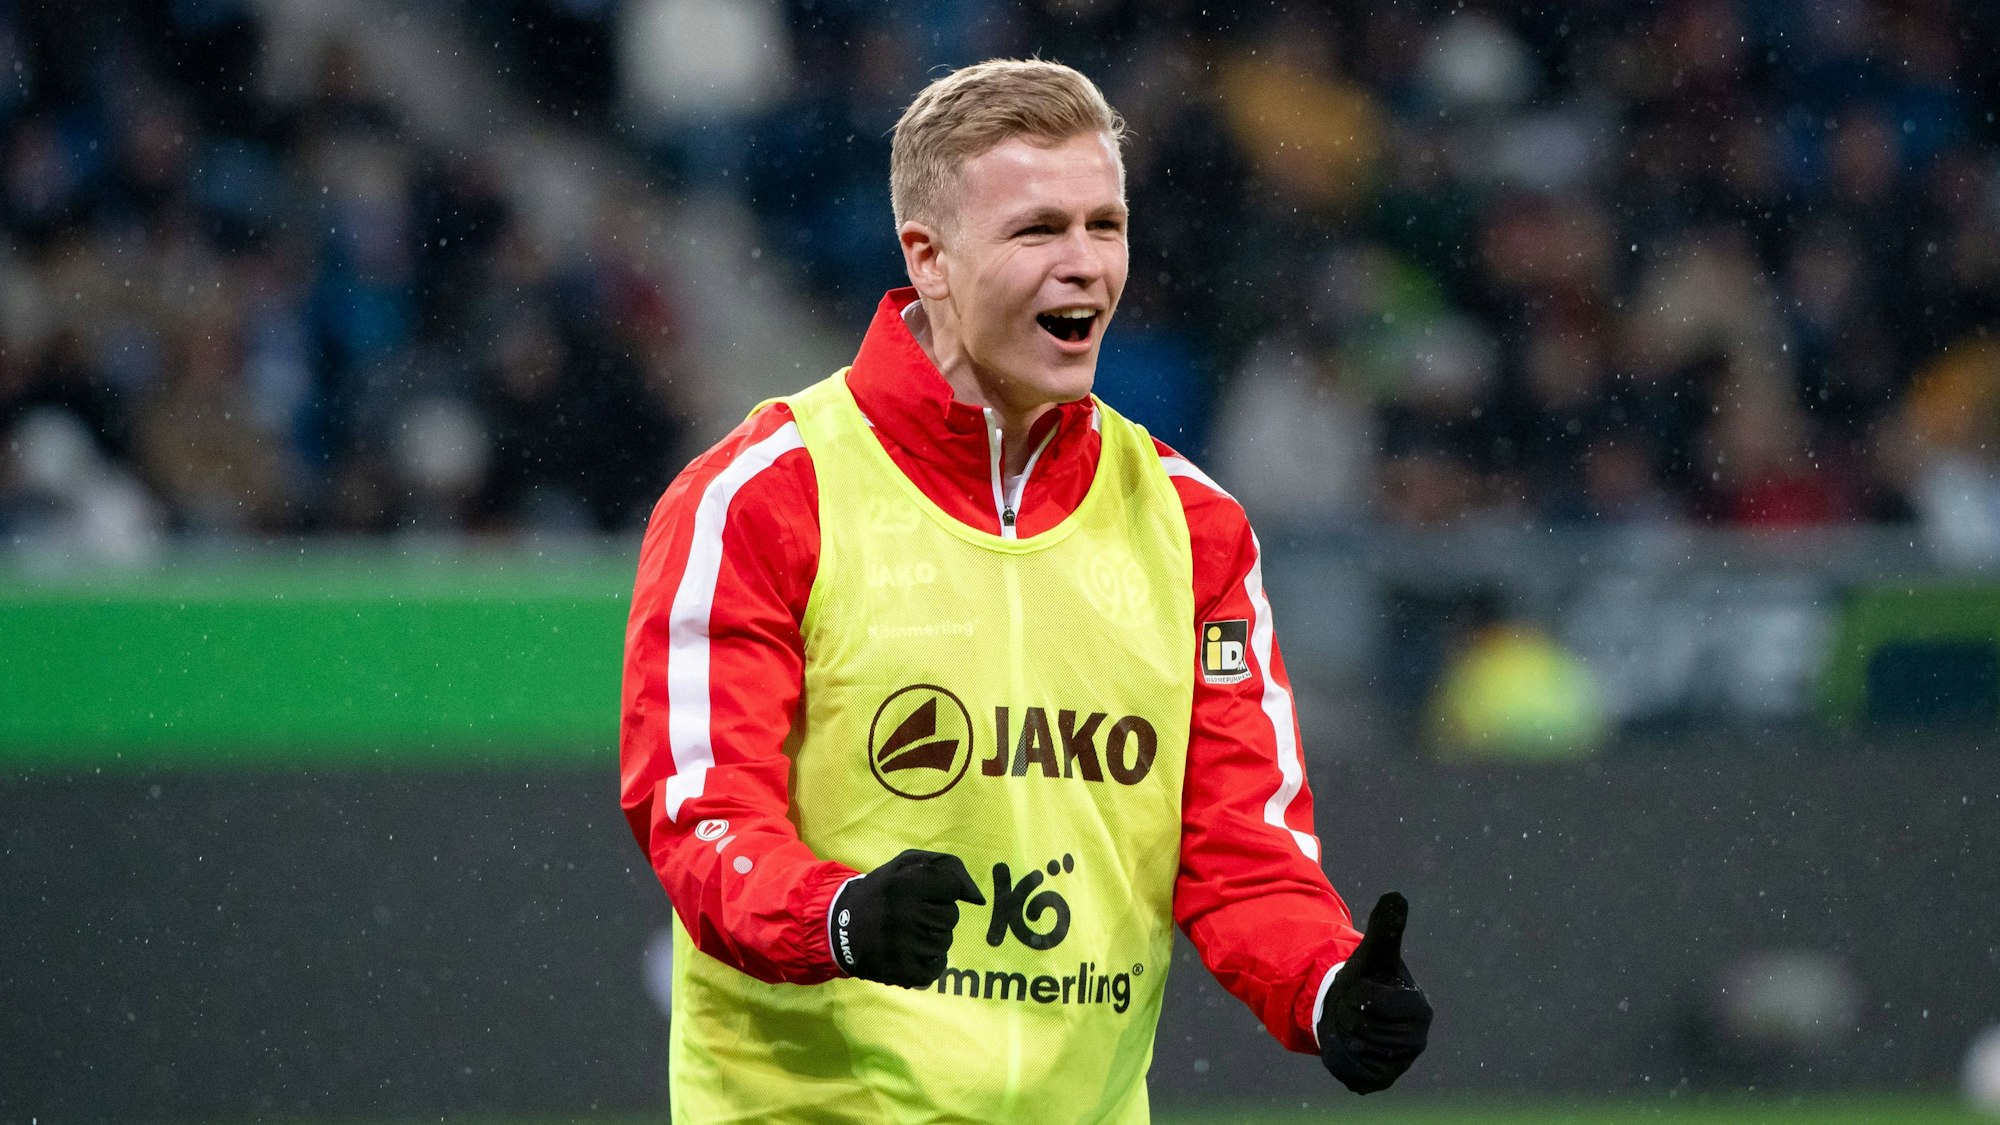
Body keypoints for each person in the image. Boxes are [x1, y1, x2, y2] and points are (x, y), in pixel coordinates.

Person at [619, 58, 1431, 1122]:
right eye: (1038, 230)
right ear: (930, 258)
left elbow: (1240, 848)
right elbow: (698, 811)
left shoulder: (1193, 527)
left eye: (1104, 224)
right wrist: (841, 918)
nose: (1084, 266)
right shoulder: (761, 496)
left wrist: (1324, 985)